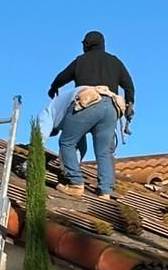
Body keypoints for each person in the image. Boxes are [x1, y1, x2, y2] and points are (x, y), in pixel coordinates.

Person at [46, 31, 135, 199]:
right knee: (104, 151)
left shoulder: (80, 61)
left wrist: (53, 87)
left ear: (85, 45)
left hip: (88, 101)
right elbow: (129, 86)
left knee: (67, 142)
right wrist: (130, 104)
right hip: (111, 106)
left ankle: (75, 183)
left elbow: (62, 77)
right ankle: (105, 191)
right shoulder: (115, 61)